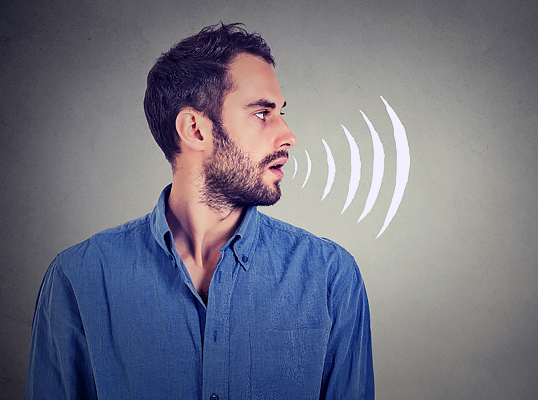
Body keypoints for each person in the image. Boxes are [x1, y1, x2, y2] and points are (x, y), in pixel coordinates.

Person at [26, 23, 374, 399]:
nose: (288, 135)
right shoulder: (79, 278)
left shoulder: (330, 277)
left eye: (280, 113)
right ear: (194, 128)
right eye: (262, 113)